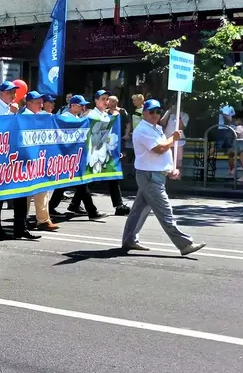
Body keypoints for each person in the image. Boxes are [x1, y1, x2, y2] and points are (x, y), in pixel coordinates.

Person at [121, 99, 205, 256]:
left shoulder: (156, 128)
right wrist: (173, 138)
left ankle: (129, 239)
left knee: (138, 211)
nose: (154, 115)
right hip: (149, 176)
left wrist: (170, 169)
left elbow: (164, 151)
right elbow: (160, 149)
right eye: (151, 111)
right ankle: (185, 244)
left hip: (154, 174)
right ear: (144, 112)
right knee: (165, 211)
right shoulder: (143, 130)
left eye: (158, 111)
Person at [0, 81, 36, 240]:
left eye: (14, 92)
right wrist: (11, 115)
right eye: (9, 92)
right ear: (1, 94)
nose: (13, 95)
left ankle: (21, 228)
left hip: (14, 156)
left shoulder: (13, 108)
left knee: (20, 192)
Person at [49, 96, 106, 222]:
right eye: (80, 105)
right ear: (73, 105)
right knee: (75, 183)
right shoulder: (65, 117)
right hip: (67, 155)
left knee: (71, 184)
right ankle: (91, 211)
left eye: (83, 105)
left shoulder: (77, 119)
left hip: (76, 156)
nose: (83, 107)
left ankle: (53, 207)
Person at [21, 91, 59, 231]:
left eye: (41, 102)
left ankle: (43, 219)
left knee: (41, 189)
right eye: (38, 102)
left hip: (40, 158)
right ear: (29, 103)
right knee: (26, 192)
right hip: (27, 160)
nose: (41, 105)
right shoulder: (23, 117)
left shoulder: (42, 117)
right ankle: (22, 220)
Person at [87, 90, 129, 216]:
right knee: (85, 181)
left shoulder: (105, 115)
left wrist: (115, 151)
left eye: (107, 99)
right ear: (96, 100)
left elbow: (111, 136)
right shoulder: (92, 115)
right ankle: (75, 205)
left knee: (113, 177)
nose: (106, 102)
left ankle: (118, 205)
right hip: (93, 153)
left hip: (105, 152)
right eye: (103, 99)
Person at [160, 101, 188, 170]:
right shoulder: (169, 113)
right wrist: (169, 112)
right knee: (167, 160)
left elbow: (181, 127)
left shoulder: (185, 115)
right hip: (167, 140)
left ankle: (178, 177)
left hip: (179, 141)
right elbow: (162, 123)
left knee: (178, 162)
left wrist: (178, 116)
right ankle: (168, 177)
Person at [215, 102, 238, 178]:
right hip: (221, 129)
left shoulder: (230, 107)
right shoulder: (218, 106)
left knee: (230, 151)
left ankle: (232, 169)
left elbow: (231, 119)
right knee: (217, 147)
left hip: (228, 130)